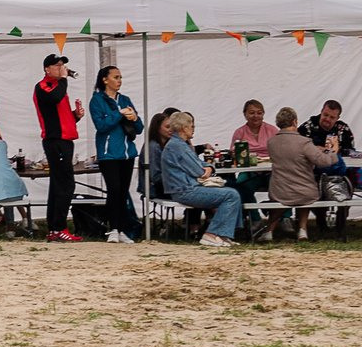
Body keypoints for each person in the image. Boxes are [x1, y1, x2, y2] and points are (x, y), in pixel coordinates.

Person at [159, 111, 242, 248]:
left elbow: (200, 165)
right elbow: (198, 171)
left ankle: (223, 234)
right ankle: (212, 234)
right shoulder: (178, 146)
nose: (193, 129)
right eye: (191, 126)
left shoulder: (178, 145)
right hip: (186, 190)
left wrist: (208, 167)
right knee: (231, 195)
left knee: (231, 192)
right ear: (184, 128)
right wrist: (208, 168)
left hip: (185, 188)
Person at [33, 54, 84, 243]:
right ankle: (59, 227)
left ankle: (54, 227)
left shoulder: (59, 87)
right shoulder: (43, 87)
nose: (62, 68)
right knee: (66, 184)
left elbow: (58, 115)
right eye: (58, 65)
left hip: (64, 139)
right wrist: (63, 79)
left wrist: (75, 116)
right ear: (47, 69)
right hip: (55, 141)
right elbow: (54, 98)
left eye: (63, 65)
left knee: (58, 184)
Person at [89, 65, 142, 244]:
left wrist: (134, 118)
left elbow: (140, 128)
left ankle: (122, 229)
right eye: (116, 77)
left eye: (120, 78)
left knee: (122, 192)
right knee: (114, 189)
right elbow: (101, 126)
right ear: (105, 79)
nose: (119, 81)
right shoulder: (97, 100)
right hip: (108, 154)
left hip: (127, 154)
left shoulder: (125, 99)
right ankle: (113, 228)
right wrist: (119, 114)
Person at [265, 106, 335, 241]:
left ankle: (269, 231)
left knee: (287, 196)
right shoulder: (304, 142)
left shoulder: (271, 142)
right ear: (295, 122)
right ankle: (302, 230)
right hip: (304, 191)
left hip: (280, 191)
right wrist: (333, 152)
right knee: (303, 193)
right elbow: (323, 161)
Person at [299, 99, 357, 233]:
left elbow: (351, 152)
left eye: (332, 117)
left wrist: (336, 152)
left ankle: (341, 223)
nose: (327, 119)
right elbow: (298, 149)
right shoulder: (306, 128)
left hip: (339, 170)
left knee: (350, 183)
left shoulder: (343, 129)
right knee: (313, 185)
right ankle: (321, 222)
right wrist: (314, 149)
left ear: (337, 118)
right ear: (321, 112)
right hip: (313, 171)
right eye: (325, 115)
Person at [228, 99, 273, 206]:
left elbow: (281, 150)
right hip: (249, 170)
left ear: (263, 114)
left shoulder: (272, 130)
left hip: (271, 171)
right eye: (252, 113)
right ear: (245, 114)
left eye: (259, 113)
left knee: (283, 185)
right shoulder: (239, 132)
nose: (255, 116)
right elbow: (233, 153)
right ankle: (254, 218)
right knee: (240, 186)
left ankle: (284, 218)